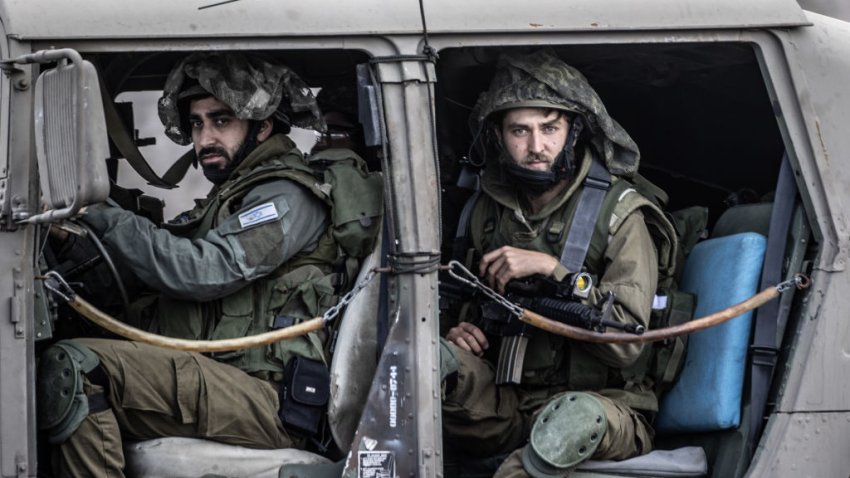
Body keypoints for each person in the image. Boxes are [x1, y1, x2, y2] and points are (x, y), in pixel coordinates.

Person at [36, 52, 371, 477]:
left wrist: (97, 214)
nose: (205, 137)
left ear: (262, 126)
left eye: (222, 120)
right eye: (197, 123)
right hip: (228, 380)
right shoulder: (232, 195)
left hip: (270, 397)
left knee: (78, 368)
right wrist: (69, 239)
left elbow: (202, 271)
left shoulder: (286, 196)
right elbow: (153, 275)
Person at [440, 50, 676, 477]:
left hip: (601, 407)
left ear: (573, 131)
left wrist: (555, 271)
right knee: (425, 363)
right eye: (520, 131)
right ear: (498, 136)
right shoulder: (486, 212)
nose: (536, 147)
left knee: (571, 420)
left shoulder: (620, 213)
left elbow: (626, 345)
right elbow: (471, 303)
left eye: (550, 128)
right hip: (508, 400)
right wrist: (461, 333)